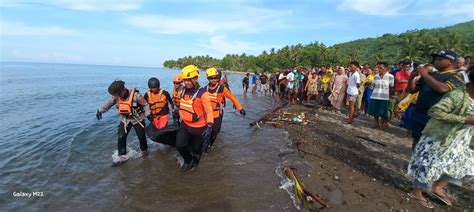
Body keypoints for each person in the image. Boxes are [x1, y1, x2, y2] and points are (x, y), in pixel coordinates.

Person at [407, 66, 474, 208]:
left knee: (465, 166)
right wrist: (465, 120)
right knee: (429, 165)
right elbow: (436, 111)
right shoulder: (457, 95)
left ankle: (437, 187)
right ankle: (416, 192)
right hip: (439, 137)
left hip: (460, 140)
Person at [407, 50, 465, 150]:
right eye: (435, 59)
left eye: (439, 59)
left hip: (437, 117)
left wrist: (425, 75)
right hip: (420, 113)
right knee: (417, 139)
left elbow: (443, 88)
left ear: (450, 62)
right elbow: (411, 90)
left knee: (432, 144)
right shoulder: (431, 74)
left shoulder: (458, 76)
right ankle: (413, 162)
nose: (435, 61)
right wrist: (411, 77)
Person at [96, 80, 150, 166]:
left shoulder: (137, 96)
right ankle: (121, 156)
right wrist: (100, 110)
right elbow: (109, 102)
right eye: (115, 95)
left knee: (141, 136)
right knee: (121, 136)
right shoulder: (117, 97)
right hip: (125, 120)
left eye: (117, 94)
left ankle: (144, 151)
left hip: (138, 119)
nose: (116, 96)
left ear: (123, 89)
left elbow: (146, 105)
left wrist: (148, 115)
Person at [175, 65, 214, 172]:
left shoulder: (203, 94)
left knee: (197, 150)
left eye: (188, 80)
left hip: (199, 127)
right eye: (185, 80)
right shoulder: (182, 91)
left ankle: (195, 163)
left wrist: (209, 125)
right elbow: (180, 105)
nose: (186, 82)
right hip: (185, 124)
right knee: (180, 145)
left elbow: (209, 111)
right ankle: (188, 160)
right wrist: (176, 113)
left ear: (195, 78)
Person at [203, 68, 246, 152]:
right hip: (207, 114)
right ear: (208, 78)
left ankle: (210, 144)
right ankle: (204, 143)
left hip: (217, 114)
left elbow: (232, 97)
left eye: (215, 78)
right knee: (206, 131)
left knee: (215, 131)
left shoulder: (222, 88)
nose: (213, 80)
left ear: (218, 78)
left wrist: (240, 108)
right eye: (211, 78)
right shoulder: (205, 88)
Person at [367, 62, 394, 129]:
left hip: (384, 97)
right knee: (374, 111)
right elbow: (372, 86)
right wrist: (369, 84)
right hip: (375, 95)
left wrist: (391, 95)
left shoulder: (390, 76)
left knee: (383, 112)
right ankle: (376, 123)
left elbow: (391, 87)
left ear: (386, 68)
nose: (379, 69)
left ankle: (382, 124)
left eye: (381, 68)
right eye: (378, 67)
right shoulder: (376, 76)